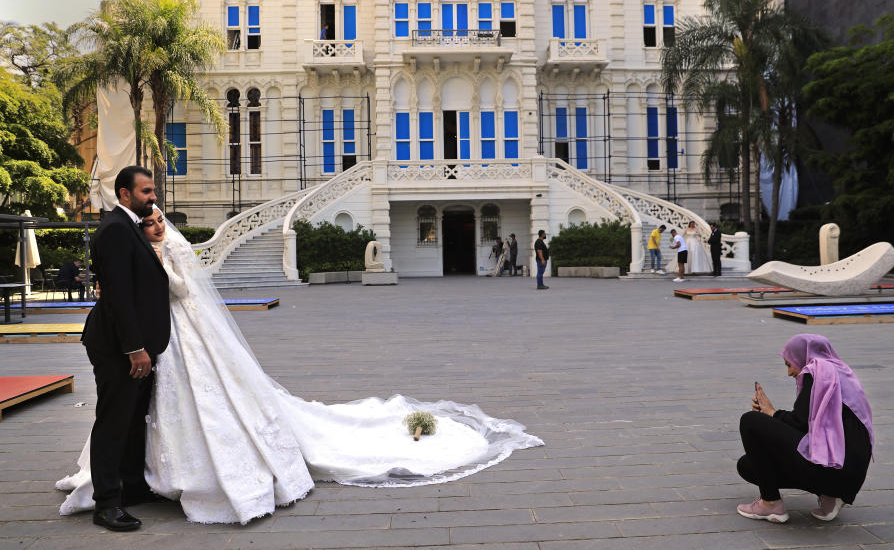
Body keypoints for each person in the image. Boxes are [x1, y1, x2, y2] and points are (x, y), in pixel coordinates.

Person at [58, 208, 543, 525]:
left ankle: (143, 479)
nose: (155, 224)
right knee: (147, 408)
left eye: (159, 219)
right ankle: (133, 476)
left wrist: (162, 256)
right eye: (149, 220)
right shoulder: (132, 241)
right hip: (166, 339)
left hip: (179, 334)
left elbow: (180, 289)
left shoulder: (166, 248)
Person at [78, 166, 170, 532]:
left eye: (153, 191)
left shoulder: (131, 226)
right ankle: (107, 504)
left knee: (133, 420)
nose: (153, 198)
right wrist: (134, 348)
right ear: (124, 194)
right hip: (119, 346)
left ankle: (132, 486)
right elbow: (117, 297)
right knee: (114, 423)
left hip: (138, 345)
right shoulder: (116, 230)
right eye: (146, 191)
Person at [736, 334, 874, 524]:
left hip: (833, 471)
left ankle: (770, 503)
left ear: (804, 356)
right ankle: (829, 496)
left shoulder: (816, 370)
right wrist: (771, 416)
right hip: (848, 478)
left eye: (789, 364)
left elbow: (800, 422)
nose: (789, 372)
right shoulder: (842, 374)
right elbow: (813, 430)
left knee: (750, 421)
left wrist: (770, 414)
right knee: (748, 466)